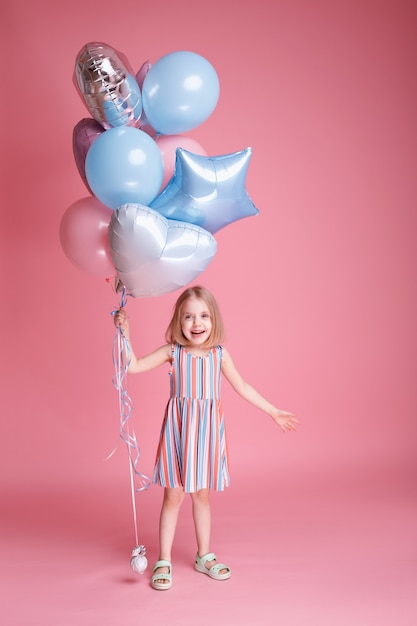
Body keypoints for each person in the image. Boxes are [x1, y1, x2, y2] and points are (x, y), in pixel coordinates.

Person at [113, 285, 298, 590]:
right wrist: (125, 333)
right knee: (173, 495)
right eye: (188, 317)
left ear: (214, 321)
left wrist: (273, 411)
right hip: (179, 431)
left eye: (203, 316)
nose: (196, 323)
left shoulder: (219, 355)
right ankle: (164, 559)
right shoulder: (173, 352)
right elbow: (133, 367)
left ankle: (204, 555)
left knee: (201, 494)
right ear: (178, 321)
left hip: (207, 435)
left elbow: (243, 387)